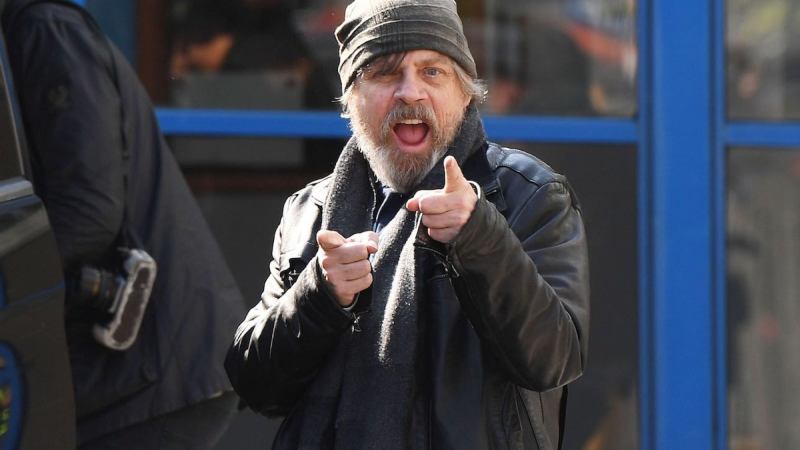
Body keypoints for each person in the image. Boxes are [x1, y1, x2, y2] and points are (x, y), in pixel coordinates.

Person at [225, 0, 590, 448]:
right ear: (351, 99)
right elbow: (255, 385)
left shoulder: (528, 195)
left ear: (465, 92)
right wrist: (319, 295)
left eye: (432, 71)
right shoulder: (310, 211)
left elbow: (553, 360)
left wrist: (479, 236)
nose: (410, 92)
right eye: (385, 73)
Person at [1, 0, 245, 448]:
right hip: (131, 372)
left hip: (150, 371)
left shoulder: (44, 26)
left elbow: (90, 211)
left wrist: (9, 278)